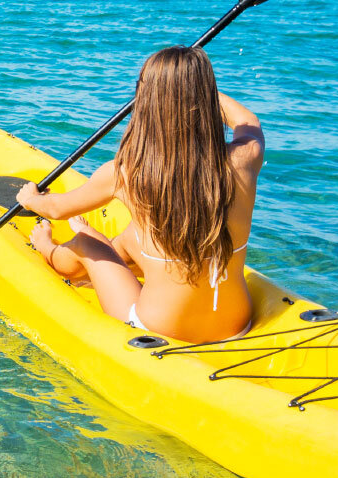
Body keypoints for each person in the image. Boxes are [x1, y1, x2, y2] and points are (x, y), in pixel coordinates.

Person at [16, 46, 265, 343]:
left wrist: (31, 198)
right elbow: (248, 121)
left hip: (159, 329)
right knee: (135, 234)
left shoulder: (126, 172)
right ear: (206, 97)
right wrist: (195, 87)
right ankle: (120, 253)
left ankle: (50, 251)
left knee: (86, 242)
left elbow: (57, 209)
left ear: (147, 101)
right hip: (236, 325)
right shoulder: (246, 157)